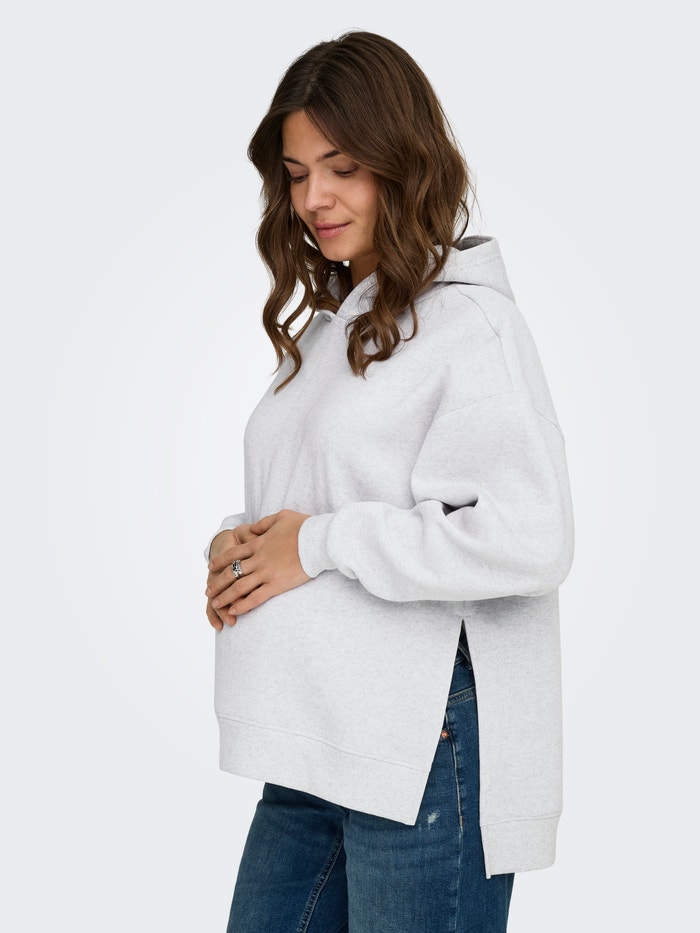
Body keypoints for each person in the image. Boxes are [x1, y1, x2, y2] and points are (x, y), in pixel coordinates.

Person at [204, 29, 574, 933]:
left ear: (403, 164)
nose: (314, 199)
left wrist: (317, 542)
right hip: (313, 743)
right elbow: (315, 502)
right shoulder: (333, 326)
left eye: (343, 168)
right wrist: (243, 545)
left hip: (419, 745)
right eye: (297, 174)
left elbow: (533, 537)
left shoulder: (468, 326)